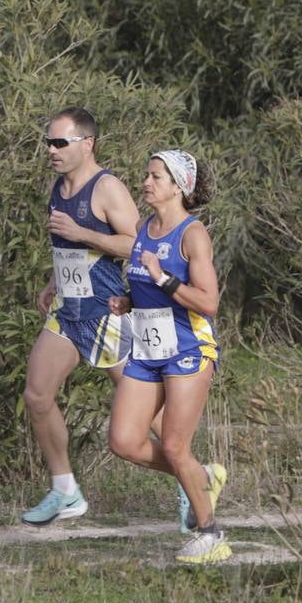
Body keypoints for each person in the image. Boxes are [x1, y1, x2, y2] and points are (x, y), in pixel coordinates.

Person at [20, 107, 162, 526]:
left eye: (60, 143)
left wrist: (84, 233)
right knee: (37, 395)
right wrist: (53, 282)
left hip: (106, 311)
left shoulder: (108, 188)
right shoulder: (58, 185)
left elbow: (138, 246)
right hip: (68, 310)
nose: (51, 149)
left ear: (88, 144)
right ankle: (65, 490)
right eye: (48, 141)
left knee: (145, 412)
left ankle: (193, 482)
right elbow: (67, 247)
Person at [107, 149, 230, 564]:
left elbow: (208, 302)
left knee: (176, 446)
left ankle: (211, 535)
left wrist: (163, 277)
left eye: (156, 177)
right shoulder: (145, 227)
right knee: (123, 441)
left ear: (178, 186)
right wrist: (128, 300)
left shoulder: (193, 235)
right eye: (147, 174)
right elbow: (146, 289)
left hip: (188, 349)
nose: (146, 182)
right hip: (147, 348)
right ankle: (201, 476)